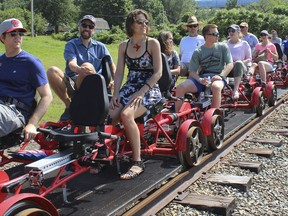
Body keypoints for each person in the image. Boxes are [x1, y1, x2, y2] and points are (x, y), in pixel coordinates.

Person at [109, 9, 162, 180]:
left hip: (149, 89)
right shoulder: (124, 45)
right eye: (140, 22)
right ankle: (110, 153)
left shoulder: (152, 43)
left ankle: (137, 161)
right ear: (131, 24)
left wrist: (141, 92)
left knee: (126, 114)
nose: (144, 25)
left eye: (146, 22)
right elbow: (119, 73)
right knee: (111, 114)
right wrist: (116, 93)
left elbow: (158, 73)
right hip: (130, 86)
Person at [47, 15, 116, 122]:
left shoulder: (101, 47)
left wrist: (115, 80)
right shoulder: (71, 44)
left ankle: (81, 105)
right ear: (79, 26)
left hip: (95, 84)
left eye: (90, 26)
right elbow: (72, 64)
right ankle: (70, 106)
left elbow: (111, 65)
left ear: (94, 30)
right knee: (52, 71)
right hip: (74, 81)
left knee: (87, 67)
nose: (87, 28)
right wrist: (80, 70)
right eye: (84, 25)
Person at [0, 18, 53, 141]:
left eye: (20, 33)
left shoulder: (31, 62)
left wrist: (32, 124)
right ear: (2, 38)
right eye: (13, 34)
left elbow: (47, 96)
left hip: (15, 112)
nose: (18, 37)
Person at [175, 24, 233, 111]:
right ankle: (178, 119)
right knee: (180, 87)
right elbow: (192, 72)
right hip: (202, 78)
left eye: (217, 33)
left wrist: (221, 76)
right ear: (207, 36)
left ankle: (213, 116)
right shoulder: (198, 52)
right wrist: (200, 79)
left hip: (218, 77)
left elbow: (230, 64)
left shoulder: (223, 47)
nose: (217, 36)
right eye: (215, 34)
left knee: (216, 87)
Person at [226, 24, 252, 99]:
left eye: (233, 30)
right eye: (229, 31)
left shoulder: (244, 44)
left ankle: (235, 90)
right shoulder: (225, 44)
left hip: (240, 67)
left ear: (238, 32)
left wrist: (239, 62)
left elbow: (249, 58)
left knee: (238, 63)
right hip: (228, 68)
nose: (231, 32)